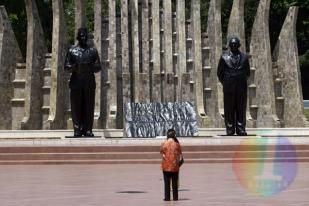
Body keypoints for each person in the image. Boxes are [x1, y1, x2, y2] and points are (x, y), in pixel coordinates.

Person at [64, 28, 101, 137]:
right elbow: (66, 67)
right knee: (76, 107)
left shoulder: (93, 51)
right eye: (81, 36)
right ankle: (77, 129)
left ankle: (88, 129)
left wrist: (91, 66)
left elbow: (99, 66)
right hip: (76, 82)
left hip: (89, 82)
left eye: (85, 36)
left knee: (89, 107)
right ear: (78, 37)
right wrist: (75, 67)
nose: (83, 38)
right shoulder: (72, 51)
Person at [217, 36, 250, 136]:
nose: (234, 46)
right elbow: (220, 73)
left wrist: (240, 79)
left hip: (241, 87)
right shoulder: (224, 57)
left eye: (236, 44)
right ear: (229, 46)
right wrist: (227, 82)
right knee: (229, 108)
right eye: (232, 44)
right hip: (228, 87)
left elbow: (247, 72)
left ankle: (241, 129)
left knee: (241, 108)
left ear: (239, 45)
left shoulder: (244, 57)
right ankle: (230, 129)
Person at [160, 129, 183, 201]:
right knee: (174, 183)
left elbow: (163, 155)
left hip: (166, 166)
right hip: (174, 166)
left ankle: (167, 197)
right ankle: (175, 197)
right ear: (174, 135)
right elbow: (179, 155)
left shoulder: (163, 144)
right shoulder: (177, 144)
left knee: (166, 183)